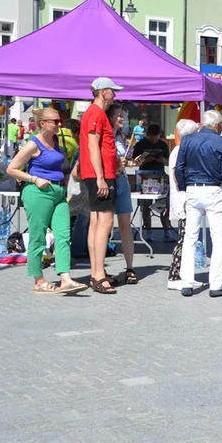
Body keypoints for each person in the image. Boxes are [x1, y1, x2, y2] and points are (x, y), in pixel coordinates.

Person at [5, 108, 87, 294]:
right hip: (38, 192)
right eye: (55, 121)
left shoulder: (57, 140)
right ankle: (38, 280)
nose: (59, 124)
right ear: (43, 124)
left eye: (60, 121)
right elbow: (11, 168)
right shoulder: (33, 144)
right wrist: (34, 179)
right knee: (38, 236)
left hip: (59, 192)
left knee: (64, 235)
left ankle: (65, 278)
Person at [175, 110, 222, 297]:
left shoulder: (188, 140)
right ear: (217, 125)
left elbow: (179, 168)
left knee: (190, 237)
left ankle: (187, 282)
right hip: (213, 190)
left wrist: (186, 186)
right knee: (218, 238)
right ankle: (215, 285)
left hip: (193, 189)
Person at [79, 77, 122, 294]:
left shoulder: (94, 113)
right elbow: (92, 145)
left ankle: (97, 272)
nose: (114, 94)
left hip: (99, 173)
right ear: (103, 91)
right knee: (104, 222)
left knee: (97, 222)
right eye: (112, 91)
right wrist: (100, 177)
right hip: (100, 174)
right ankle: (98, 275)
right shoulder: (96, 113)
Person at [166, 119, 203, 292]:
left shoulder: (182, 149)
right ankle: (174, 275)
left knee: (188, 237)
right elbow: (176, 175)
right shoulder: (179, 150)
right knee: (184, 238)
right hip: (183, 199)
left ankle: (185, 274)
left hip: (186, 198)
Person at [107, 104, 138, 286]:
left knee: (126, 226)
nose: (122, 119)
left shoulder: (120, 136)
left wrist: (129, 162)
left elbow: (121, 160)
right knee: (105, 226)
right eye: (118, 115)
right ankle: (99, 269)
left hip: (122, 181)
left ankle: (130, 267)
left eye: (122, 115)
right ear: (110, 117)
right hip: (109, 182)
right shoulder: (104, 135)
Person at [131, 123, 174, 242]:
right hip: (144, 176)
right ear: (147, 135)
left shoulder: (163, 145)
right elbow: (134, 162)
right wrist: (144, 160)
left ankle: (167, 231)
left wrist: (162, 160)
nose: (154, 140)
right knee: (145, 205)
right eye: (152, 138)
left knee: (163, 205)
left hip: (159, 176)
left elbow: (168, 162)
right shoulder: (140, 145)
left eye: (156, 137)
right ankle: (148, 231)